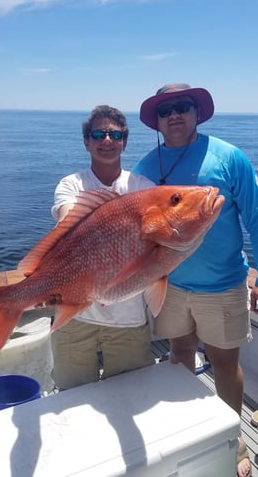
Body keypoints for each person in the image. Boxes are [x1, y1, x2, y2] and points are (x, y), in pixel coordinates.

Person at [133, 83, 258, 477]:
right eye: (165, 109)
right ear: (156, 119)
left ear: (196, 111)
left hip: (223, 285)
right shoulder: (144, 169)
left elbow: (255, 217)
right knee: (179, 355)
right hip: (169, 284)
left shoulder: (229, 157)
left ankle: (231, 436)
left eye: (182, 106)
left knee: (224, 362)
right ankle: (187, 431)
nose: (174, 114)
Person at [50, 104, 155, 390]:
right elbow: (66, 223)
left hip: (128, 318)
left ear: (124, 141)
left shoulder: (143, 187)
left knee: (130, 393)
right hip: (74, 315)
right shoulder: (72, 184)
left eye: (114, 134)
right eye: (98, 134)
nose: (106, 140)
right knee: (71, 394)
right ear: (87, 142)